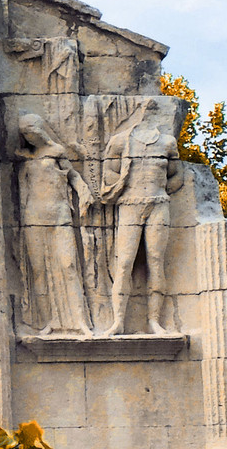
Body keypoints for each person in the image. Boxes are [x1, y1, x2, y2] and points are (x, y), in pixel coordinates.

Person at [96, 112, 185, 335]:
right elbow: (108, 174)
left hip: (158, 204)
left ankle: (154, 321)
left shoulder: (167, 142)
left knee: (156, 261)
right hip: (130, 204)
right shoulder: (120, 140)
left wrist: (160, 193)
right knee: (124, 263)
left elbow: (177, 176)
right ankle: (118, 321)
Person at [14, 113, 95, 335]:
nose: (29, 136)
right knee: (39, 270)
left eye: (31, 130)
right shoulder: (24, 158)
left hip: (59, 214)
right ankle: (47, 321)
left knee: (69, 265)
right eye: (25, 133)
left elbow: (73, 177)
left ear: (40, 129)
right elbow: (22, 192)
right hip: (33, 216)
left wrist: (83, 191)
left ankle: (80, 320)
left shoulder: (57, 152)